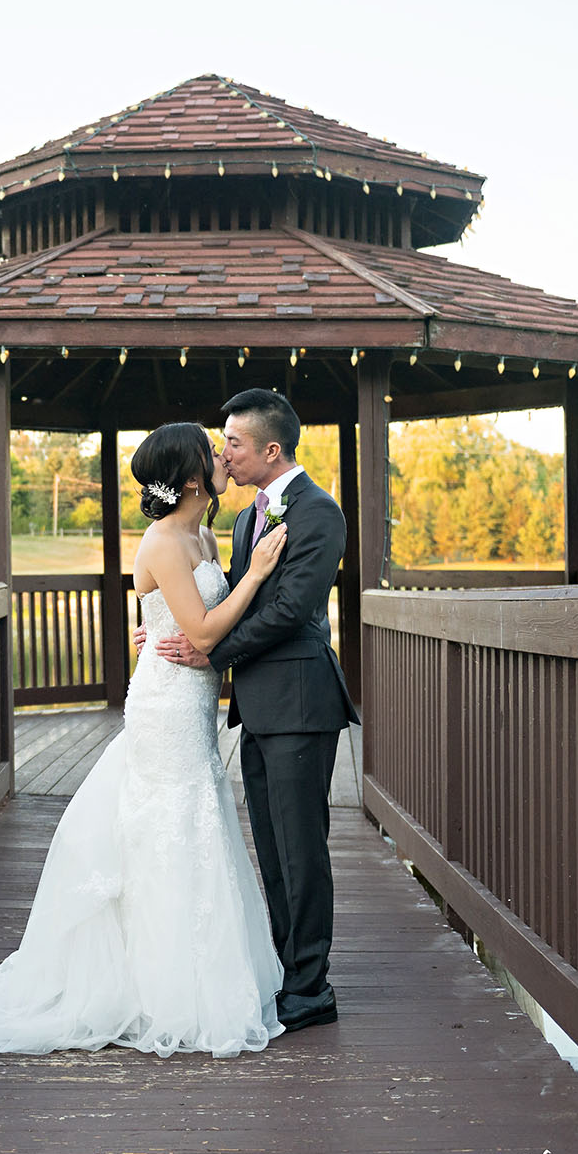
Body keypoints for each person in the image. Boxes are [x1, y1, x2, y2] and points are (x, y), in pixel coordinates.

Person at [0, 422, 290, 1058]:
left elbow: (176, 620)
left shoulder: (202, 533)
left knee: (194, 825)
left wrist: (154, 629)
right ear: (194, 476)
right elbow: (202, 633)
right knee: (168, 827)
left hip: (193, 701)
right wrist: (256, 575)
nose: (223, 454)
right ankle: (157, 990)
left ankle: (190, 974)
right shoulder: (163, 540)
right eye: (213, 449)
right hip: (166, 707)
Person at [147, 388, 361, 1033]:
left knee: (301, 849)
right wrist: (176, 630)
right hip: (259, 708)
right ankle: (283, 971)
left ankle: (311, 989)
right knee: (270, 846)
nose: (225, 454)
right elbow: (228, 601)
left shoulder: (319, 513)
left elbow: (291, 609)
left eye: (234, 444)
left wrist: (208, 650)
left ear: (271, 449)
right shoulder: (243, 521)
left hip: (300, 701)